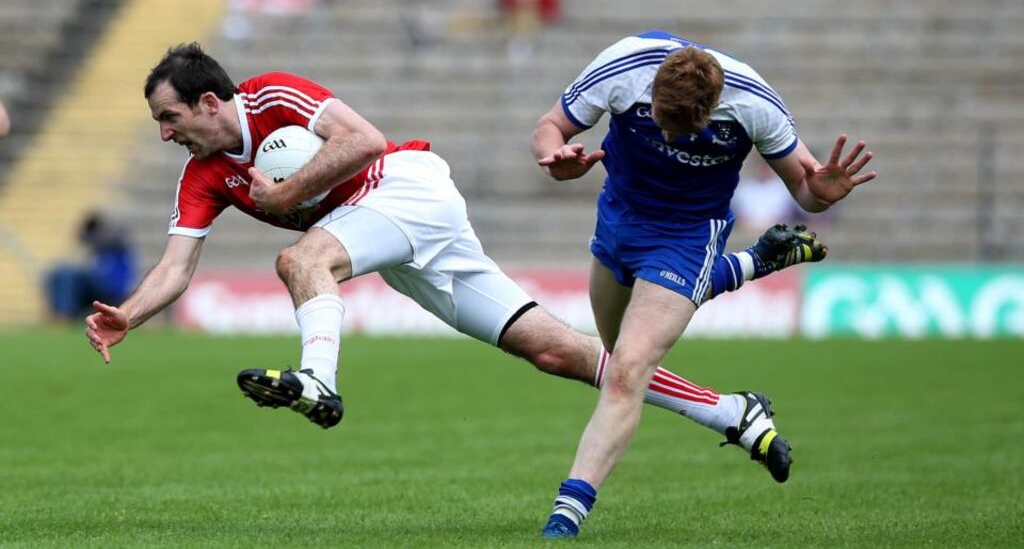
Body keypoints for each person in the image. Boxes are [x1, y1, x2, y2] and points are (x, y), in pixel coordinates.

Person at [84, 42, 822, 460]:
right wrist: (130, 315)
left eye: (169, 116)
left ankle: (319, 383)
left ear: (209, 103)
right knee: (560, 352)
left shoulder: (275, 96)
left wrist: (282, 199)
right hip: (394, 242)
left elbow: (365, 140)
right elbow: (178, 264)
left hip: (407, 188)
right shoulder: (202, 175)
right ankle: (732, 412)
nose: (165, 131)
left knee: (301, 260)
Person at [530, 30, 876, 538]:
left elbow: (805, 187)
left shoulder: (755, 102)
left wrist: (821, 194)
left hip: (687, 237)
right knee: (611, 356)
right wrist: (555, 160)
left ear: (714, 105)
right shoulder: (624, 66)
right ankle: (753, 266)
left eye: (683, 128)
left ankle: (566, 515)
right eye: (662, 123)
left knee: (627, 372)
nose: (669, 138)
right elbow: (548, 127)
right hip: (619, 222)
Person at [46, 212, 137, 321]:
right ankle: (60, 313)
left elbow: (111, 279)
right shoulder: (95, 248)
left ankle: (65, 314)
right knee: (59, 272)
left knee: (68, 274)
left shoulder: (115, 246)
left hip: (110, 292)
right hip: (95, 290)